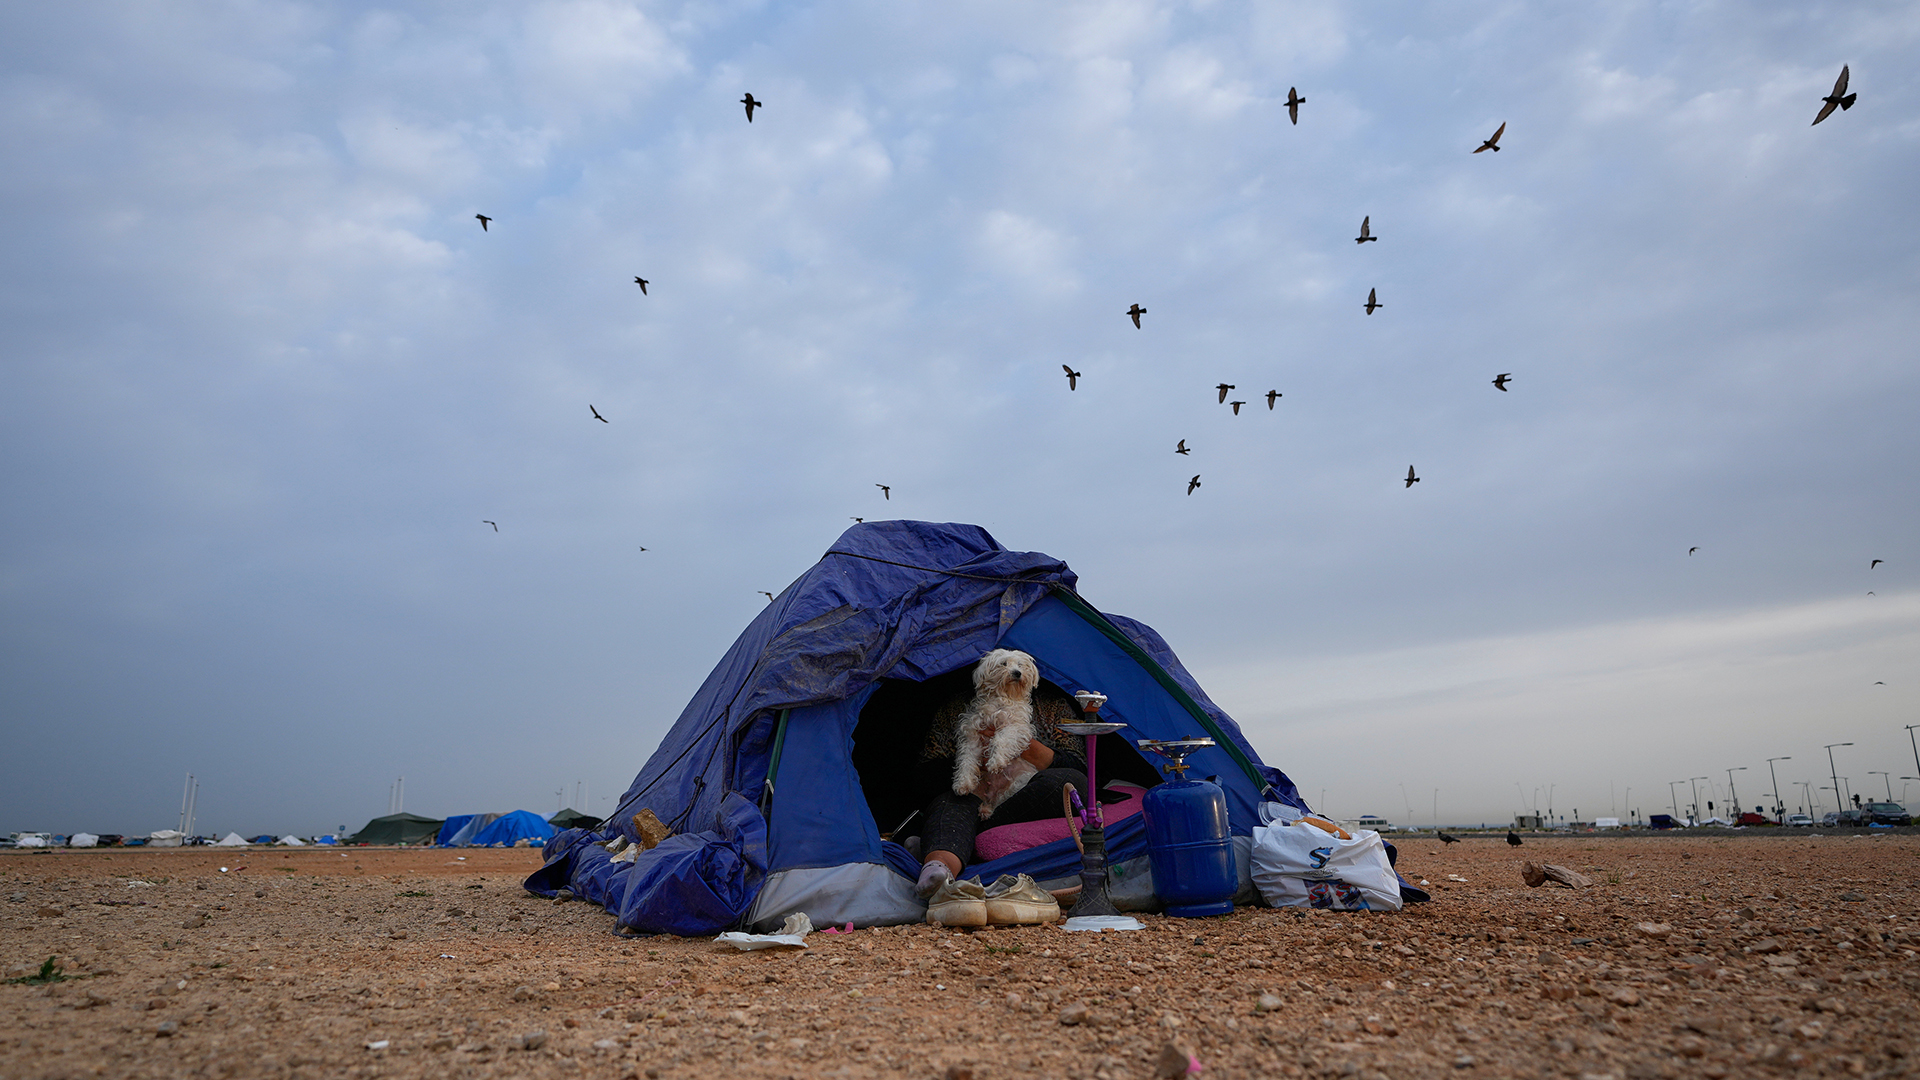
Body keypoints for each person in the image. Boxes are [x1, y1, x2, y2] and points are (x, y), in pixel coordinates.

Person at [911, 675, 1088, 897]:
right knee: (951, 801)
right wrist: (974, 764)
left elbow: (1080, 766)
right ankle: (938, 872)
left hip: (1026, 792)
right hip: (975, 794)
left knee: (1070, 782)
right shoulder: (956, 708)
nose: (1011, 673)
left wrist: (1025, 748)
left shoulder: (1053, 707)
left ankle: (958, 835)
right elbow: (924, 776)